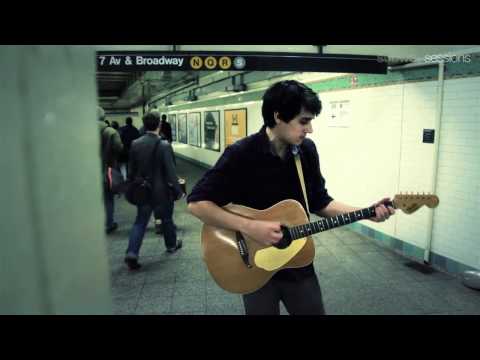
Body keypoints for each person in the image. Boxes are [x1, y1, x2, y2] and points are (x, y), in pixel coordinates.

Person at [187, 80, 395, 315]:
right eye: (303, 121)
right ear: (278, 116)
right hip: (252, 266)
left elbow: (320, 201)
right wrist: (252, 227)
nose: (309, 129)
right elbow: (197, 204)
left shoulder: (306, 151)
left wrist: (367, 211)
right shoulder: (241, 154)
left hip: (299, 263)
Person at [124, 112, 184, 270]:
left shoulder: (135, 143)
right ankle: (171, 245)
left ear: (144, 125)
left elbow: (131, 171)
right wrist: (178, 190)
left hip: (143, 190)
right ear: (159, 124)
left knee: (140, 222)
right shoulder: (164, 145)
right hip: (161, 192)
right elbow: (171, 172)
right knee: (167, 219)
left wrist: (132, 185)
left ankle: (132, 252)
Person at [98, 106, 123, 234]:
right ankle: (109, 224)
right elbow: (119, 149)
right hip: (106, 171)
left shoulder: (83, 131)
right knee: (108, 199)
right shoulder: (111, 132)